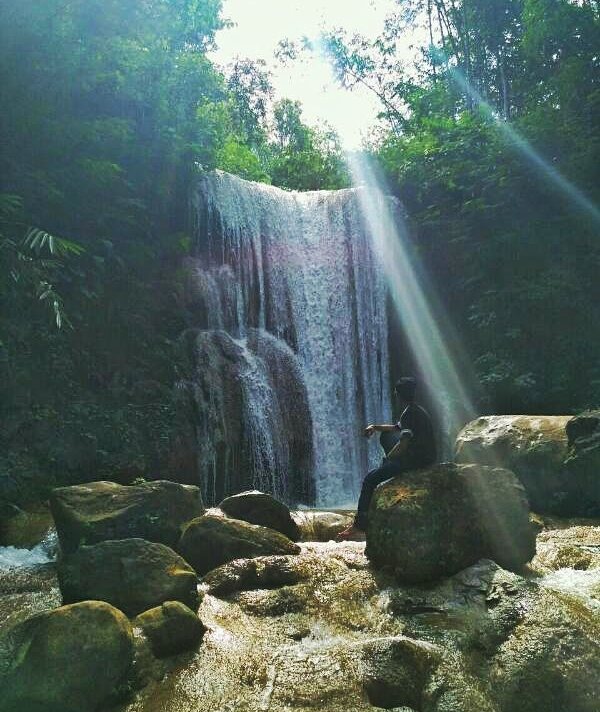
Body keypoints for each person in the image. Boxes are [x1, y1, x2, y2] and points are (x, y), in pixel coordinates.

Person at [336, 376, 437, 541]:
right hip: (425, 457)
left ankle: (360, 526)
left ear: (398, 395)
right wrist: (375, 427)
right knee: (386, 435)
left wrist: (389, 459)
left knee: (370, 479)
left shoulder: (409, 414)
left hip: (415, 460)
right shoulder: (416, 411)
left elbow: (403, 444)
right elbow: (396, 428)